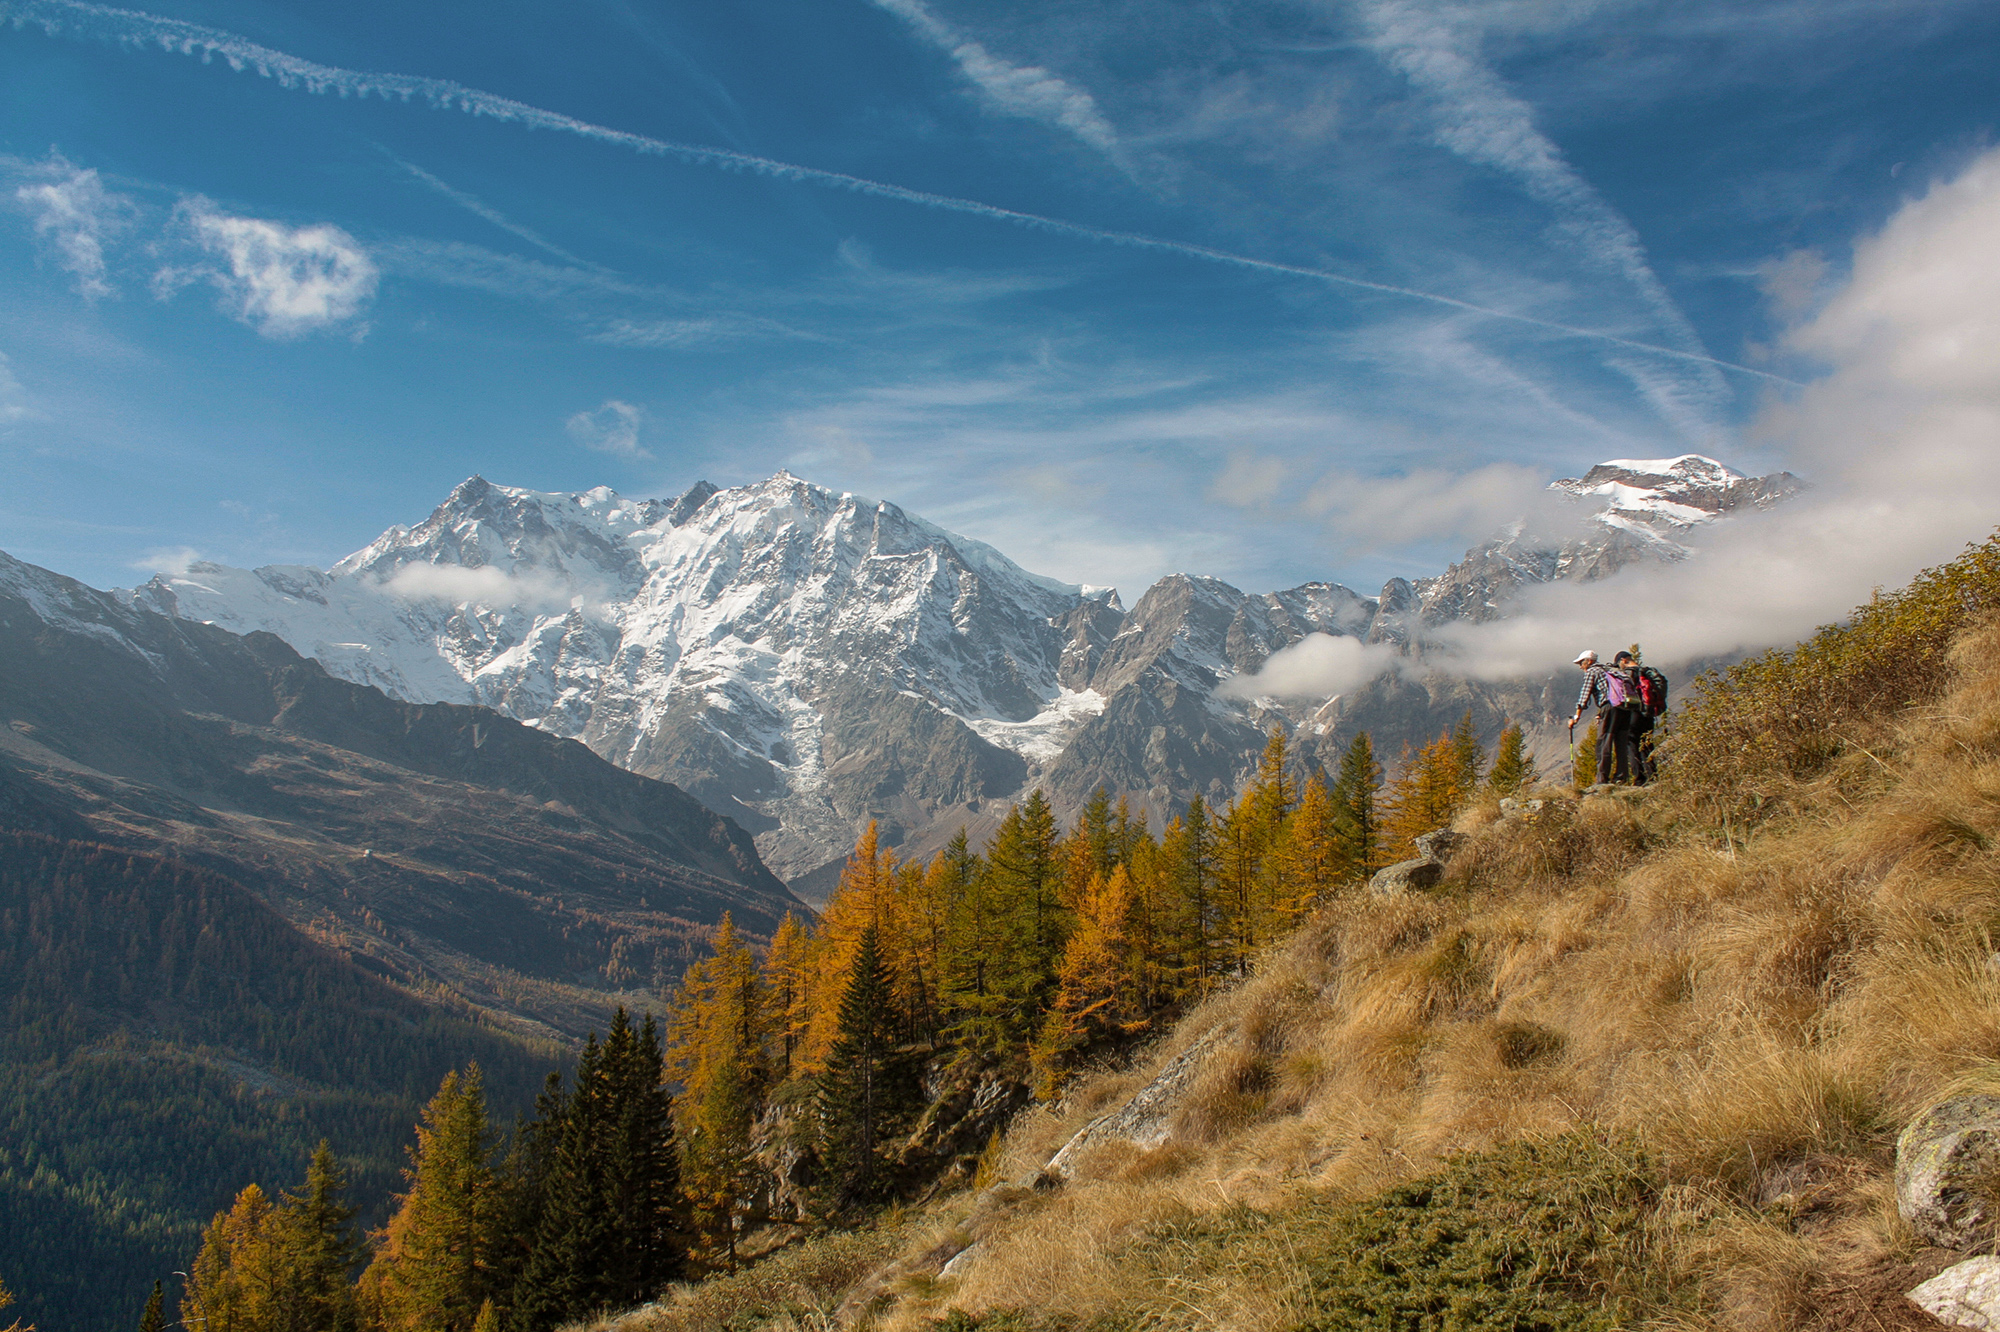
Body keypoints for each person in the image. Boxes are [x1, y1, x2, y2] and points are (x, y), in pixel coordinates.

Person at [1568, 649, 1643, 786]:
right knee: (1621, 743)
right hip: (1625, 707)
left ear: (1589, 661)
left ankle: (1602, 779)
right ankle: (1621, 777)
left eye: (1581, 663)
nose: (1580, 667)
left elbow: (1584, 695)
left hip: (1610, 707)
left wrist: (1576, 717)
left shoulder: (1592, 671)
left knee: (1604, 742)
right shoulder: (1610, 670)